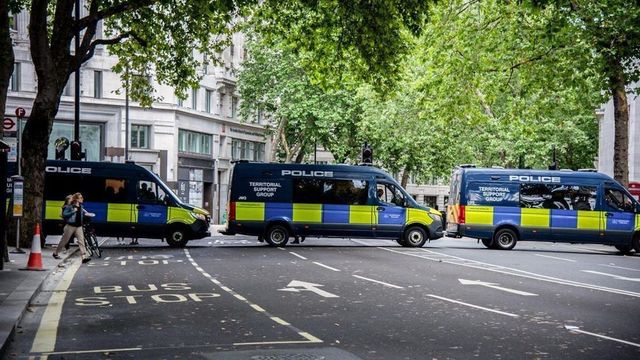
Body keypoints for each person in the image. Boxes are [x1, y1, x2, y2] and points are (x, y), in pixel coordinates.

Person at [53, 193, 94, 263]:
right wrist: (73, 211)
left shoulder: (81, 206)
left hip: (79, 226)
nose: (82, 199)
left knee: (81, 241)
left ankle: (84, 257)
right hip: (70, 226)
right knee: (64, 241)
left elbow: (80, 216)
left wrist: (87, 215)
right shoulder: (70, 206)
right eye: (81, 198)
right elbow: (64, 214)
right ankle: (56, 253)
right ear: (77, 199)